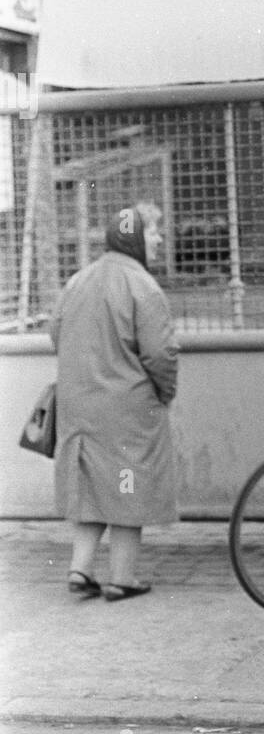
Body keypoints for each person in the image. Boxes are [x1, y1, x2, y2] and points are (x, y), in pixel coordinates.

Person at [49, 204, 179, 601]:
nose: (159, 240)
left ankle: (79, 568)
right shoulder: (143, 286)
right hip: (128, 407)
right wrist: (165, 392)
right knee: (128, 485)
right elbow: (160, 354)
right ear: (137, 237)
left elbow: (57, 333)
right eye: (155, 232)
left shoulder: (78, 280)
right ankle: (122, 578)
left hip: (78, 401)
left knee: (90, 485)